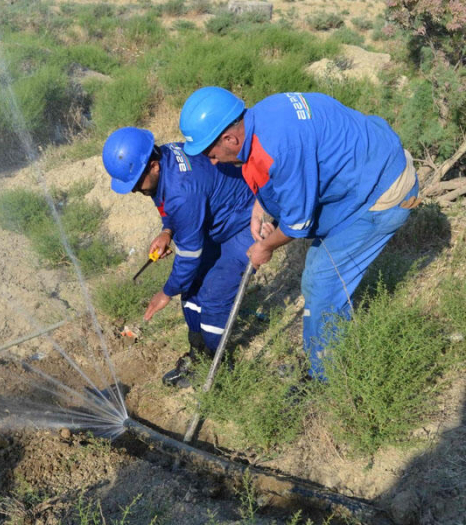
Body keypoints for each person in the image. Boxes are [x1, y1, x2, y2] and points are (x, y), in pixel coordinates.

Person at [179, 87, 420, 380]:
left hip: (380, 192)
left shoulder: (280, 149)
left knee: (322, 282)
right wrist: (260, 207)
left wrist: (265, 247)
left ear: (230, 138)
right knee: (321, 280)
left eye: (210, 152)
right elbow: (281, 179)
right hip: (367, 167)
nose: (212, 160)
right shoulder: (263, 116)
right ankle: (322, 359)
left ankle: (326, 378)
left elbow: (298, 224)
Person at [102, 127, 270, 388]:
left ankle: (217, 367)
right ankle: (198, 355)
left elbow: (190, 255)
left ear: (154, 166)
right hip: (215, 223)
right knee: (191, 289)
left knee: (215, 295)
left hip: (243, 223)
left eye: (135, 183)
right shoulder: (164, 157)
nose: (135, 190)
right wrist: (167, 231)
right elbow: (168, 207)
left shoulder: (181, 190)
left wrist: (166, 292)